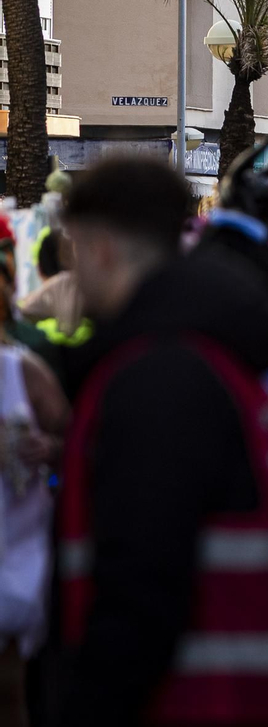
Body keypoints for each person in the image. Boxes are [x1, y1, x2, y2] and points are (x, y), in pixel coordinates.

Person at [56, 158, 268, 726]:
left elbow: (141, 586)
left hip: (196, 701)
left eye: (73, 251)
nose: (71, 273)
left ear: (102, 248)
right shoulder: (211, 356)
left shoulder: (157, 378)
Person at [0, 242, 68, 724]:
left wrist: (49, 450)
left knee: (10, 687)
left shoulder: (20, 369)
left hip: (16, 551)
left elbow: (74, 435)